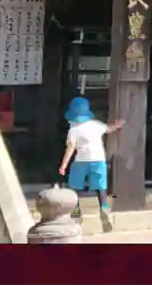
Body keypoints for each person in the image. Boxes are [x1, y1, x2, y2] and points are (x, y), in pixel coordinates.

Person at [57, 97, 124, 232]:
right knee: (100, 188)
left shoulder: (73, 130)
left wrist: (63, 166)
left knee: (74, 187)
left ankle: (76, 214)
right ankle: (104, 208)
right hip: (98, 160)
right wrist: (118, 124)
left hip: (81, 161)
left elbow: (70, 149)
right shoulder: (95, 124)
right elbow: (109, 129)